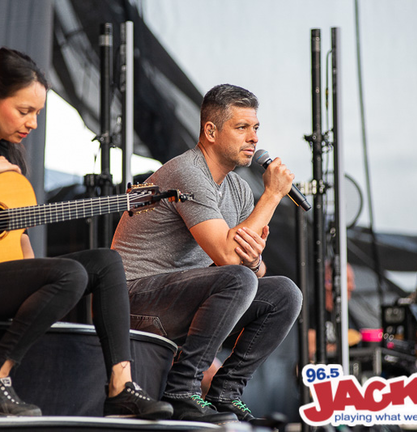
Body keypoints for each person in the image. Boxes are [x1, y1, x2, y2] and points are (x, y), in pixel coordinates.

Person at [0, 47, 172, 419]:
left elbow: (18, 237)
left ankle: (120, 388)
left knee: (105, 261)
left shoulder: (12, 158)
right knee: (71, 273)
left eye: (38, 114)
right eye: (24, 110)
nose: (32, 123)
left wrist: (33, 280)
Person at [111, 83, 303, 424]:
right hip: (133, 300)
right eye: (242, 127)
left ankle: (226, 390)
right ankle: (183, 386)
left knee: (285, 293)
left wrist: (255, 260)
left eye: (255, 128)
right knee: (238, 277)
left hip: (182, 299)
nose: (254, 139)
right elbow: (230, 262)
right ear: (210, 131)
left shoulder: (239, 190)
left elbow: (250, 270)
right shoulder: (187, 172)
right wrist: (272, 196)